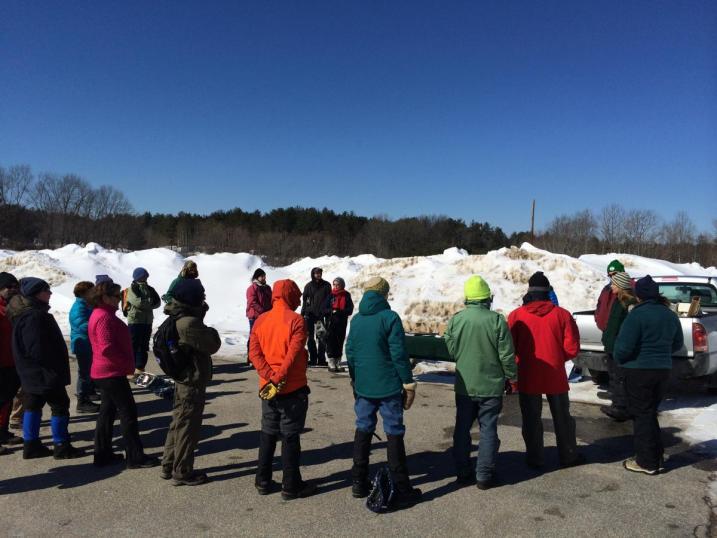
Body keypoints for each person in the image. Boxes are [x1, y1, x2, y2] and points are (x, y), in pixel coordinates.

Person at [345, 276, 421, 508]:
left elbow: (351, 353)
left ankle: (358, 481)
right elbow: (398, 354)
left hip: (364, 386)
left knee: (363, 427)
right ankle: (401, 485)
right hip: (388, 386)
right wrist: (407, 382)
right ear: (383, 294)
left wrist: (356, 380)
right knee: (394, 431)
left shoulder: (356, 320)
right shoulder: (390, 318)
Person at [444, 275, 516, 489]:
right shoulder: (496, 320)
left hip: (465, 385)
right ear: (486, 297)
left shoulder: (457, 319)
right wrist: (511, 375)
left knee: (462, 428)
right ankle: (484, 476)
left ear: (468, 297)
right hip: (491, 385)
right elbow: (506, 354)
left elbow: (450, 345)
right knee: (488, 429)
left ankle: (463, 472)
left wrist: (459, 353)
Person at [508, 271, 584, 469]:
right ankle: (568, 456)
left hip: (528, 375)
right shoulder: (563, 315)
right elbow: (572, 349)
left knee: (531, 419)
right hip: (555, 375)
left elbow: (509, 347)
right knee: (563, 419)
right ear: (548, 291)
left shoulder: (517, 315)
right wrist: (557, 358)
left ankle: (535, 458)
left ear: (530, 292)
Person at [249, 279, 316, 499]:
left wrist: (269, 377)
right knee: (290, 435)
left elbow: (254, 353)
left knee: (268, 432)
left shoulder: (261, 319)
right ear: (292, 296)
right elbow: (293, 354)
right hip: (291, 387)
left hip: (268, 388)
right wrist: (279, 377)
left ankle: (263, 480)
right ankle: (290, 485)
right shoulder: (296, 320)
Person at [614, 275, 682, 475]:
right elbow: (677, 343)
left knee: (642, 415)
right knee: (649, 412)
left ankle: (646, 462)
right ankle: (656, 457)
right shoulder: (669, 315)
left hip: (639, 371)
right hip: (662, 370)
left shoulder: (636, 315)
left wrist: (621, 359)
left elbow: (623, 347)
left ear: (639, 295)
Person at [8, 277, 82, 459]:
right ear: (35, 294)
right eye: (46, 290)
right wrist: (54, 364)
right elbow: (37, 348)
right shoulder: (34, 315)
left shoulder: (25, 312)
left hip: (31, 372)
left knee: (33, 405)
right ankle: (61, 445)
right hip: (43, 372)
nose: (50, 293)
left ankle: (31, 444)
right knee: (59, 405)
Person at [88, 280, 158, 468]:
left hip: (105, 372)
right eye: (116, 296)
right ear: (105, 298)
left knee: (107, 413)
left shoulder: (102, 314)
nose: (120, 299)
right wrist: (126, 365)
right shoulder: (104, 317)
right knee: (128, 413)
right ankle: (134, 456)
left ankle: (102, 454)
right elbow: (106, 347)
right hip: (111, 373)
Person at [160, 279, 222, 486]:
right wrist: (204, 324)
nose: (203, 298)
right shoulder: (188, 323)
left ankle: (169, 464)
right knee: (188, 425)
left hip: (182, 378)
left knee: (178, 421)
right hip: (191, 380)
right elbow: (212, 344)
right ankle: (182, 470)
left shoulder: (176, 316)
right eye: (201, 295)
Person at [599, 271, 637, 422]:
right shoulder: (618, 300)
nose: (612, 286)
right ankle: (620, 404)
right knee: (615, 376)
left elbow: (627, 326)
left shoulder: (629, 303)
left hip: (618, 345)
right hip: (612, 344)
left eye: (614, 284)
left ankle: (620, 407)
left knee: (619, 377)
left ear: (621, 286)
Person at [0, 272, 23, 453]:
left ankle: (2, 431)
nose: (14, 290)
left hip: (12, 362)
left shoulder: (13, 307)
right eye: (10, 287)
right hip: (2, 362)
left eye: (16, 286)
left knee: (7, 399)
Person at [69, 281, 100, 414]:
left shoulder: (88, 304)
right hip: (82, 343)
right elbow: (81, 324)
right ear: (83, 293)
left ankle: (90, 392)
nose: (94, 293)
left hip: (89, 343)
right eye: (91, 291)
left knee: (89, 370)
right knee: (84, 372)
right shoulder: (78, 307)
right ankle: (82, 400)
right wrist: (99, 324)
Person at [125, 267, 161, 374]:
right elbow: (138, 302)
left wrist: (146, 302)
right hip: (135, 321)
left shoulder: (150, 289)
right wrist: (149, 302)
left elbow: (158, 302)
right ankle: (130, 368)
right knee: (133, 345)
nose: (145, 277)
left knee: (144, 345)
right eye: (143, 276)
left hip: (147, 321)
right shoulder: (132, 288)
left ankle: (140, 369)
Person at [301, 267, 331, 367]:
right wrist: (303, 313)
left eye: (319, 273)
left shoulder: (326, 285)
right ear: (313, 274)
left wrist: (328, 313)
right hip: (310, 315)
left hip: (321, 315)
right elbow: (305, 301)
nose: (318, 275)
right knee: (310, 338)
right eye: (316, 273)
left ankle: (321, 359)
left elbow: (329, 300)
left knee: (321, 337)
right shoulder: (308, 286)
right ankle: (313, 359)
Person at [325, 277, 353, 373]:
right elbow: (324, 309)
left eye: (338, 284)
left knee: (339, 341)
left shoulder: (346, 295)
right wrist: (331, 311)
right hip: (331, 322)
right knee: (331, 341)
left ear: (342, 285)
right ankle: (331, 362)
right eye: (334, 284)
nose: (336, 286)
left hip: (341, 322)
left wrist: (340, 312)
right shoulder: (330, 295)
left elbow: (350, 309)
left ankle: (337, 362)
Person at [245, 268, 272, 361]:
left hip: (266, 316)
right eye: (262, 276)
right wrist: (263, 311)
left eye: (264, 276)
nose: (264, 278)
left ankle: (262, 357)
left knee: (264, 337)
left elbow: (271, 300)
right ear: (257, 277)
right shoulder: (252, 288)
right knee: (253, 337)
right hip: (255, 316)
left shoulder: (267, 288)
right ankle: (251, 357)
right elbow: (252, 302)